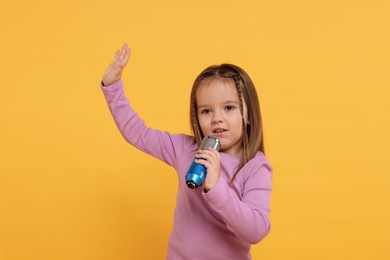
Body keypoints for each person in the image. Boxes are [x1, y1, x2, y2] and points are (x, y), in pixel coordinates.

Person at [100, 43, 272, 260]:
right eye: (206, 111)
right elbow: (137, 133)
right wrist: (112, 85)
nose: (217, 118)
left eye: (229, 108)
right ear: (196, 117)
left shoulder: (255, 166)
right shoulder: (185, 149)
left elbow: (255, 231)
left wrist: (216, 186)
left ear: (248, 113)